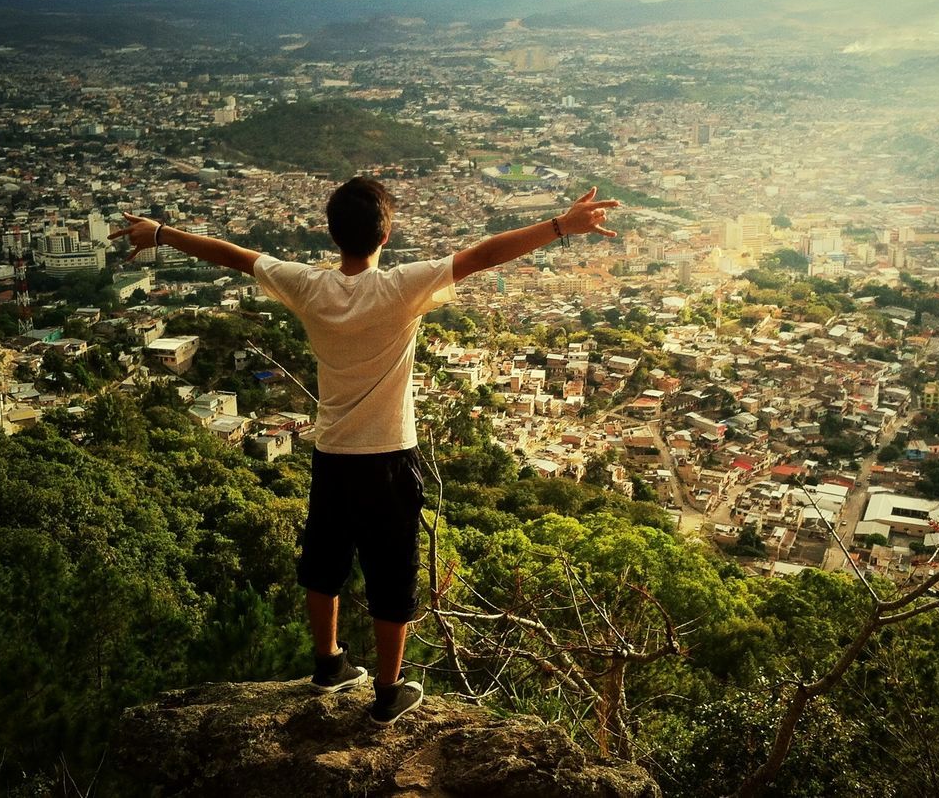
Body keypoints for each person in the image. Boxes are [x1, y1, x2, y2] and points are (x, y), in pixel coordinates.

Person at [112, 178, 618, 724]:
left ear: (332, 235)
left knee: (323, 563)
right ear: (388, 231)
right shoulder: (402, 287)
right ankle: (387, 691)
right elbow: (484, 255)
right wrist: (562, 226)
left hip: (332, 454)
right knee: (392, 573)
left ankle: (327, 663)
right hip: (388, 458)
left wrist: (161, 232)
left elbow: (234, 256)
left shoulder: (307, 286)